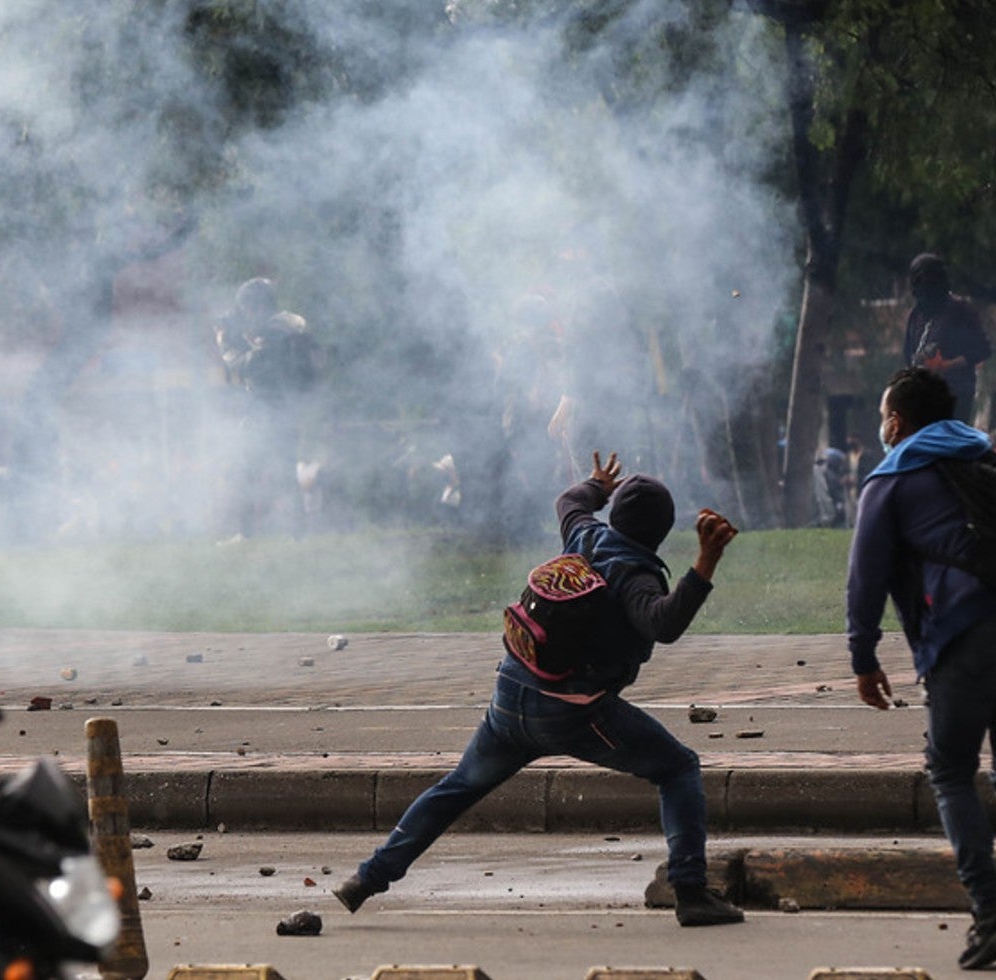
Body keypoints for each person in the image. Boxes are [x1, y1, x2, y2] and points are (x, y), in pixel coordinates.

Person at [332, 450, 744, 927]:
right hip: (574, 713)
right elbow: (663, 624)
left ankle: (367, 878)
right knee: (677, 767)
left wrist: (596, 485)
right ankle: (691, 891)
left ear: (614, 514)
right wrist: (705, 563)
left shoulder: (584, 533)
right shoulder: (635, 574)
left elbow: (568, 500)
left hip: (510, 695)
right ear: (662, 531)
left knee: (456, 788)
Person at [846, 368, 996, 970]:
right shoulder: (990, 459)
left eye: (883, 416)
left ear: (896, 422)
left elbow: (864, 581)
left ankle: (990, 911)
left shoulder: (891, 480)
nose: (882, 426)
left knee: (950, 770)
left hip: (965, 635)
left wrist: (863, 659)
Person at [213, 277, 323, 538]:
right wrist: (236, 337)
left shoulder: (282, 326)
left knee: (262, 471)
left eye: (249, 307)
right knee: (255, 471)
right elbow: (247, 362)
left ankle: (274, 534)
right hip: (271, 408)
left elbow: (252, 363)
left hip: (275, 407)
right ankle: (284, 534)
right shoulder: (275, 329)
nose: (247, 313)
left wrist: (234, 341)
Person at [902, 254, 991, 424]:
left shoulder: (960, 310)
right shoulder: (916, 315)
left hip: (955, 395)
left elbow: (982, 349)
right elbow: (908, 353)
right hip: (924, 396)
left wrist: (947, 365)